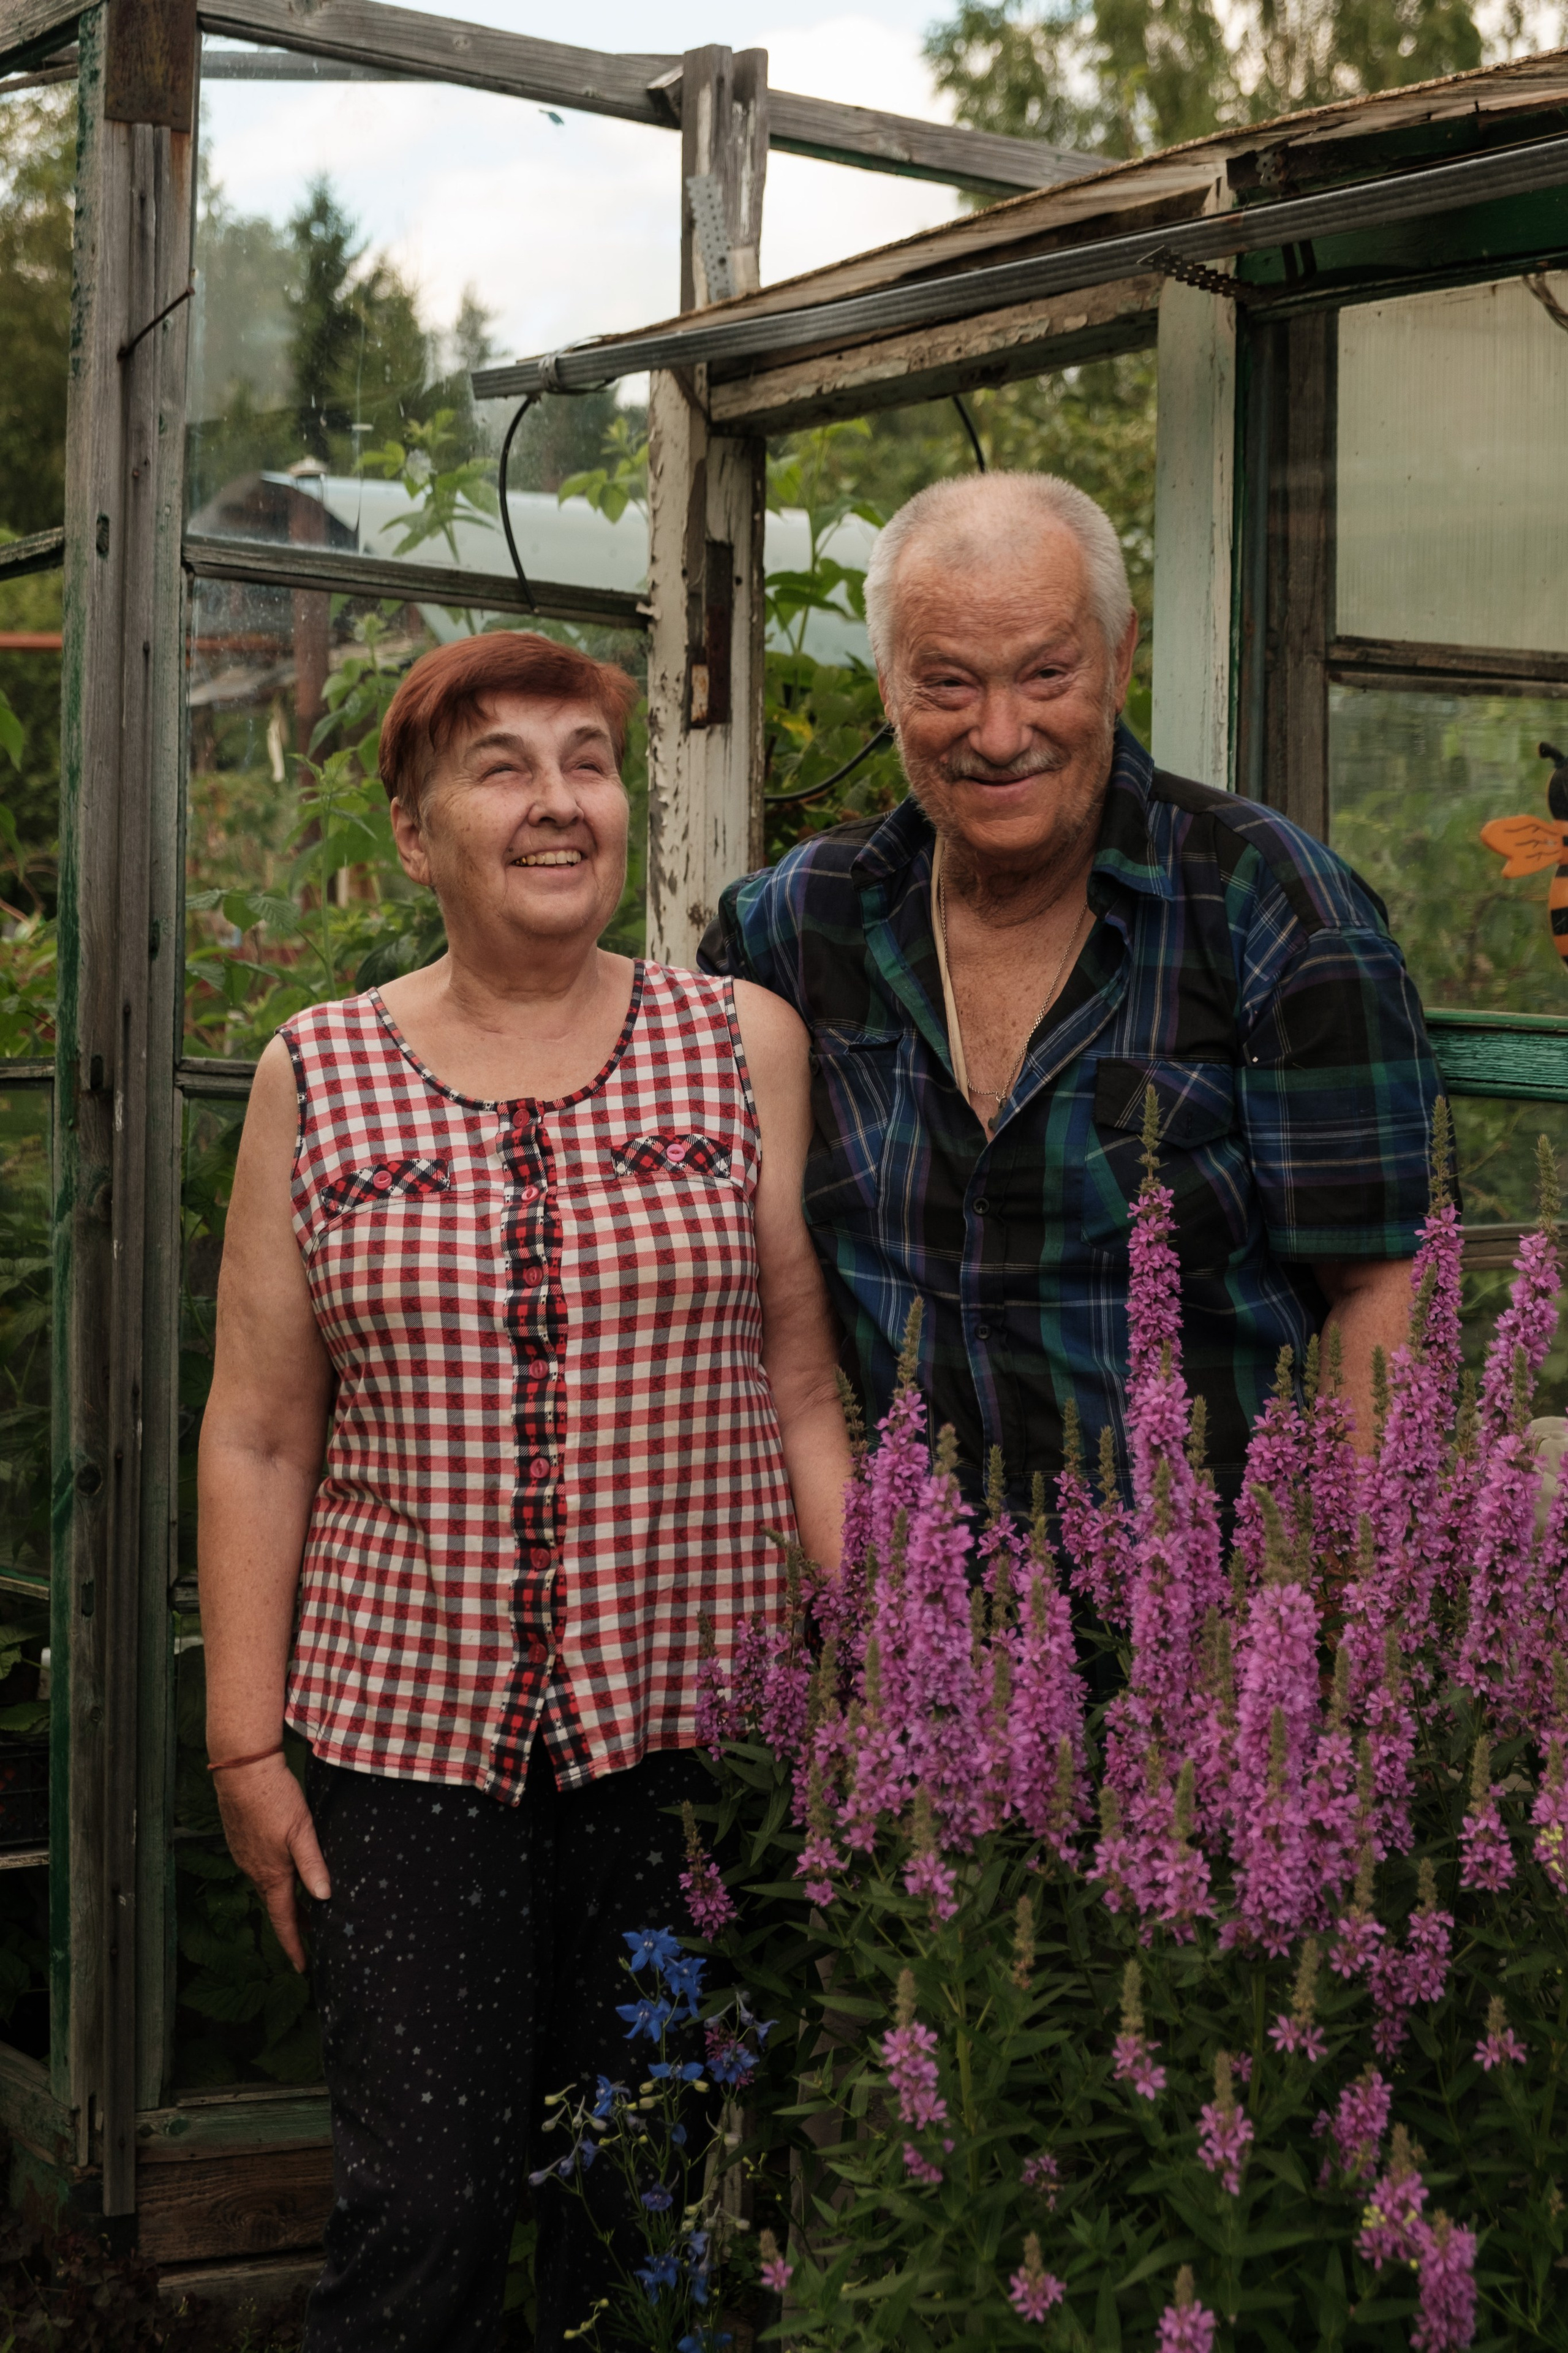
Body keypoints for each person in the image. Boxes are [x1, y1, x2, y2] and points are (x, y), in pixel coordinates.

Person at [198, 630, 851, 2353]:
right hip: (403, 1754)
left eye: (586, 761)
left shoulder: (743, 1043)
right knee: (422, 2211)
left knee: (640, 2206)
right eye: (503, 768)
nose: (558, 802)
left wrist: (868, 1676)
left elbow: (797, 1380)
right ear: (416, 836)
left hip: (693, 1742)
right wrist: (244, 1747)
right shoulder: (314, 1073)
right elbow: (260, 1429)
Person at [701, 471, 1444, 1514]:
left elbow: (1383, 1291)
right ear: (886, 684)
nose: (1001, 734)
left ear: (1120, 657)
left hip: (1205, 1626)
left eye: (1046, 673)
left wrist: (1314, 1619)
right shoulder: (788, 929)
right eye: (949, 684)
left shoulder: (1272, 909)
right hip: (886, 1619)